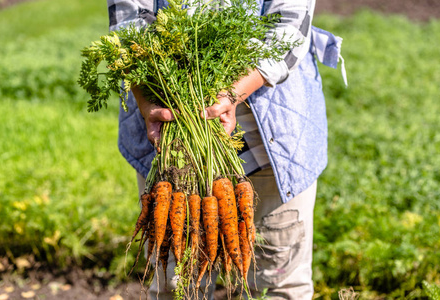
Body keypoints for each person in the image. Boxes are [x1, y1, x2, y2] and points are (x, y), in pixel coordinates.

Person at [107, 0, 344, 298]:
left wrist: (231, 95)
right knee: (177, 281)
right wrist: (146, 101)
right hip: (171, 140)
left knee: (276, 280)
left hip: (274, 139)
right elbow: (129, 21)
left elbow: (289, 25)